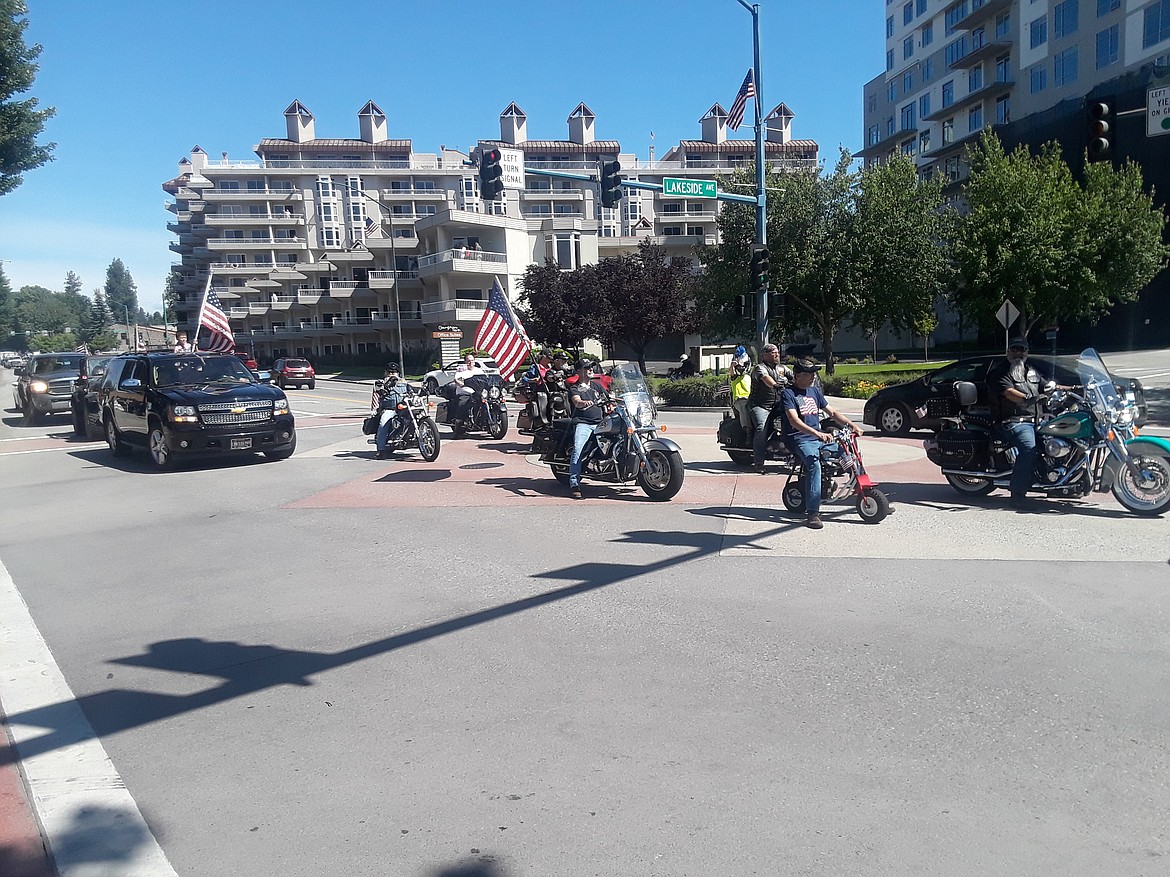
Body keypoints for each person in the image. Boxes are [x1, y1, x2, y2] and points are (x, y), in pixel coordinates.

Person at [780, 360, 860, 529]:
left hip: (816, 438)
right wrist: (818, 433)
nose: (813, 377)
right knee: (813, 464)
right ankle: (813, 513)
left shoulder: (814, 391)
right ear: (797, 376)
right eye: (809, 374)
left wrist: (851, 425)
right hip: (799, 439)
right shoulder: (788, 394)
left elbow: (833, 412)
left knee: (848, 452)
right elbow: (794, 421)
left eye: (813, 374)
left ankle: (864, 492)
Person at [986, 337, 1047, 510]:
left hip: (1037, 421)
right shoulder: (1000, 372)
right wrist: (1030, 398)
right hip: (1012, 421)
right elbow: (1010, 393)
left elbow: (1048, 386)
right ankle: (1017, 492)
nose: (1018, 353)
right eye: (1014, 349)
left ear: (1027, 352)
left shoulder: (1032, 372)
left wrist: (1075, 389)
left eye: (1022, 349)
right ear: (1007, 351)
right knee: (1029, 448)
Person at [747, 343, 792, 473]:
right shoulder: (759, 368)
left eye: (777, 352)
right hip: (760, 405)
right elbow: (766, 378)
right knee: (762, 427)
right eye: (773, 352)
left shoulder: (782, 368)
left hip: (778, 404)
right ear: (764, 355)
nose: (777, 354)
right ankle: (759, 462)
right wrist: (775, 385)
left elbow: (794, 377)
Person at [566, 358, 608, 499]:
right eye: (586, 367)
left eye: (591, 367)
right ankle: (574, 483)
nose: (590, 369)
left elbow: (609, 398)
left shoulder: (597, 386)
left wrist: (621, 401)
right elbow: (576, 401)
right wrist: (583, 402)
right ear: (579, 371)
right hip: (584, 423)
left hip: (601, 423)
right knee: (578, 448)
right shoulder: (575, 388)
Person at [374, 363, 411, 459]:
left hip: (404, 408)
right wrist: (384, 388)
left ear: (398, 373)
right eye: (389, 372)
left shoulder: (403, 382)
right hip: (390, 409)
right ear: (385, 372)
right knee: (383, 424)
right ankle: (381, 450)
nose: (391, 374)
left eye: (394, 372)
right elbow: (378, 389)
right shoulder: (380, 382)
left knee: (417, 415)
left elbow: (410, 389)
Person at [451, 353, 485, 423]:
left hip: (477, 393)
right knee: (462, 404)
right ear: (465, 362)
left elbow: (485, 380)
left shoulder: (479, 371)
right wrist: (461, 384)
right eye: (469, 361)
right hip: (465, 393)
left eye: (472, 360)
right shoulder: (461, 370)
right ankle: (458, 426)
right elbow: (456, 379)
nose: (471, 362)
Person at [728, 345, 753, 431]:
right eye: (738, 367)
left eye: (743, 366)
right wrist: (732, 365)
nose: (741, 368)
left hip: (751, 399)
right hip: (739, 400)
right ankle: (747, 431)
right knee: (743, 406)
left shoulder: (750, 376)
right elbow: (731, 373)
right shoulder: (735, 377)